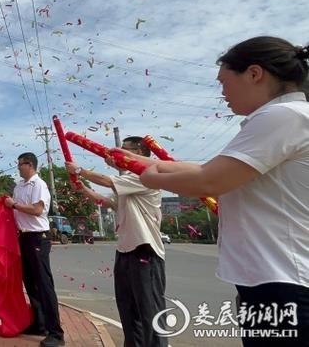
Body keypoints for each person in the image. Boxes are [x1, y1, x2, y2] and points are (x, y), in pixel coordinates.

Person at [132, 36, 309, 346]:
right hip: (274, 280)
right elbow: (208, 168)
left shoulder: (282, 117)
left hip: (284, 283)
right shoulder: (285, 118)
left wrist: (150, 177)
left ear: (255, 74)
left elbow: (208, 180)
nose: (222, 93)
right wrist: (139, 162)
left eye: (224, 81)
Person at [65, 137, 166, 347]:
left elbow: (107, 181)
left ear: (138, 151)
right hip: (125, 251)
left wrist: (80, 170)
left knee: (150, 313)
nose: (117, 153)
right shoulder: (128, 181)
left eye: (123, 150)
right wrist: (83, 189)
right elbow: (110, 203)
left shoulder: (147, 175)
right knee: (128, 312)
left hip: (145, 251)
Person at [3, 152, 65, 347]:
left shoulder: (39, 185)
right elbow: (15, 210)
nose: (18, 167)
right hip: (23, 237)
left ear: (29, 165)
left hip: (38, 237)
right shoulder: (19, 186)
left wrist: (14, 205)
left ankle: (56, 332)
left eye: (20, 164)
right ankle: (39, 323)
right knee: (30, 282)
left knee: (44, 284)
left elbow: (37, 210)